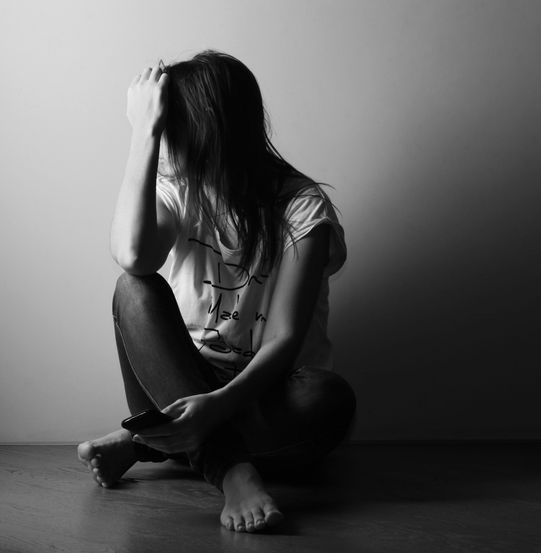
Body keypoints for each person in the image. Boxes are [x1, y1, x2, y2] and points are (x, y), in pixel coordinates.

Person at [77, 50, 356, 533]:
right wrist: (141, 133)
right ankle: (233, 472)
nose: (166, 144)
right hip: (175, 383)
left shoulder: (302, 206)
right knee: (134, 290)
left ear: (205, 133)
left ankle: (148, 443)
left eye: (169, 129)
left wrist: (219, 405)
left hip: (262, 395)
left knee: (327, 397)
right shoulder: (179, 189)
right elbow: (133, 256)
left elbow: (284, 340)